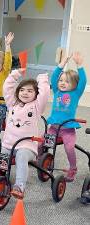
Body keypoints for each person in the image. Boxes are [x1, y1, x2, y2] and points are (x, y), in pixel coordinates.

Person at [0, 68, 50, 199]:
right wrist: (14, 75)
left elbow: (44, 94)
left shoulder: (37, 107)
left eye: (30, 91)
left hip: (27, 147)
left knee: (21, 156)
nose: (25, 93)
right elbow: (7, 89)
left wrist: (42, 79)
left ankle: (19, 186)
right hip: (8, 144)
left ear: (36, 94)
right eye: (22, 90)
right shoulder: (12, 104)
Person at [45, 52, 87, 182]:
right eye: (61, 80)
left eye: (67, 81)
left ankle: (73, 168)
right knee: (41, 143)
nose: (62, 83)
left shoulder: (75, 93)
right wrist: (61, 65)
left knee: (69, 148)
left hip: (67, 129)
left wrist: (79, 65)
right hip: (53, 128)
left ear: (74, 84)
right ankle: (42, 161)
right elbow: (54, 78)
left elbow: (83, 81)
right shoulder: (57, 91)